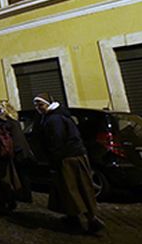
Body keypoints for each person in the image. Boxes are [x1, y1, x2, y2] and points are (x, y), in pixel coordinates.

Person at [33, 93, 105, 234]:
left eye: (40, 104)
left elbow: (57, 141)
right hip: (74, 155)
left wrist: (54, 159)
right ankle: (77, 217)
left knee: (72, 189)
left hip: (67, 158)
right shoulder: (58, 116)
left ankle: (89, 220)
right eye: (36, 105)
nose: (38, 108)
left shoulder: (54, 119)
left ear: (48, 104)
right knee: (78, 188)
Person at [0, 100, 35, 203]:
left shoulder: (8, 122)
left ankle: (24, 196)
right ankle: (26, 195)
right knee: (24, 175)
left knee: (20, 175)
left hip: (18, 151)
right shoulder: (15, 121)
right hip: (24, 151)